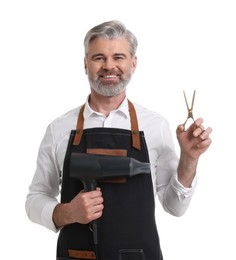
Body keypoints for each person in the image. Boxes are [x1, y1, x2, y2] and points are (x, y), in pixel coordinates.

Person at [25, 20, 212, 260]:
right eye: (99, 58)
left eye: (119, 57)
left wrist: (189, 158)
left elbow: (175, 207)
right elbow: (34, 200)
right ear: (85, 64)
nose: (109, 66)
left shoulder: (155, 126)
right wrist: (66, 213)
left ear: (133, 63)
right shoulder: (59, 129)